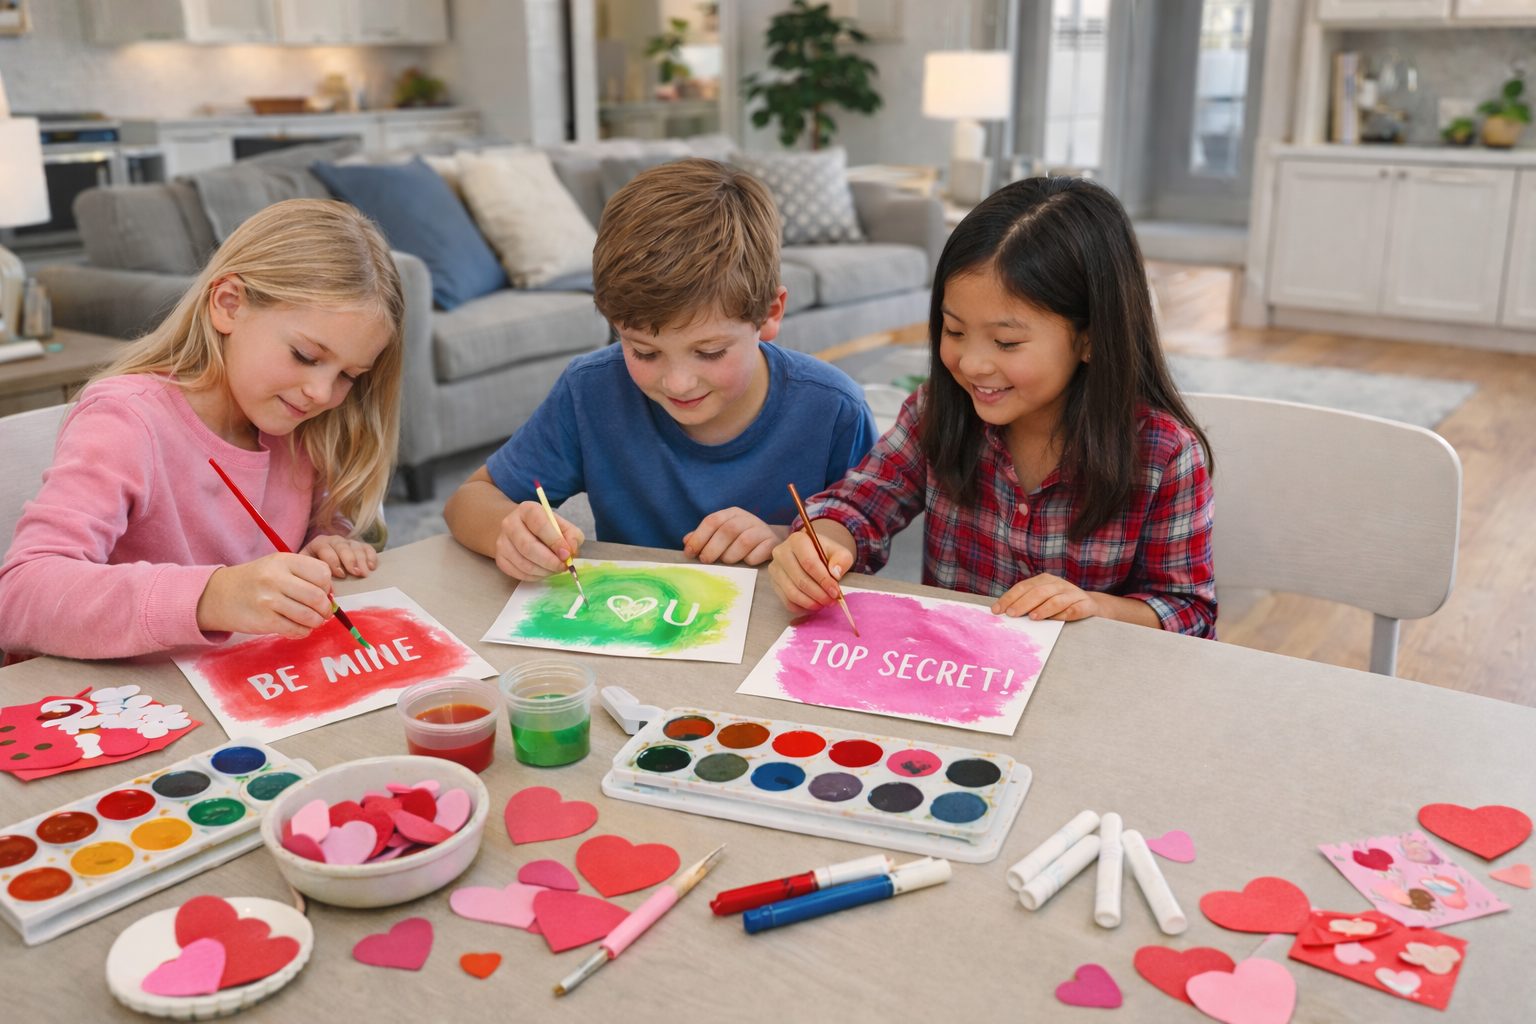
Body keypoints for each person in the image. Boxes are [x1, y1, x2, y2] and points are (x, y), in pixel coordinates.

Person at [768, 176, 1216, 636]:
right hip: (953, 677)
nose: (973, 364)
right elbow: (859, 508)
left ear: (1090, 340)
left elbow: (1191, 615)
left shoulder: (1165, 455)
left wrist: (1096, 608)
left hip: (1086, 691)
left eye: (1006, 342)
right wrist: (822, 543)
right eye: (955, 331)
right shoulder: (937, 410)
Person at [0, 199, 403, 660]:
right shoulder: (127, 421)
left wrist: (323, 545)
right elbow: (18, 596)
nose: (320, 391)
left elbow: (296, 541)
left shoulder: (302, 425)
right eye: (306, 356)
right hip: (122, 702)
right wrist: (212, 595)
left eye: (348, 375)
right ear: (228, 305)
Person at [444, 158, 876, 579]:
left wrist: (784, 538)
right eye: (644, 352)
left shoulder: (835, 411)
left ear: (769, 313)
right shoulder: (591, 391)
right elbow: (468, 500)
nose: (678, 382)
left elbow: (864, 550)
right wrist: (511, 531)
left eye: (709, 351)